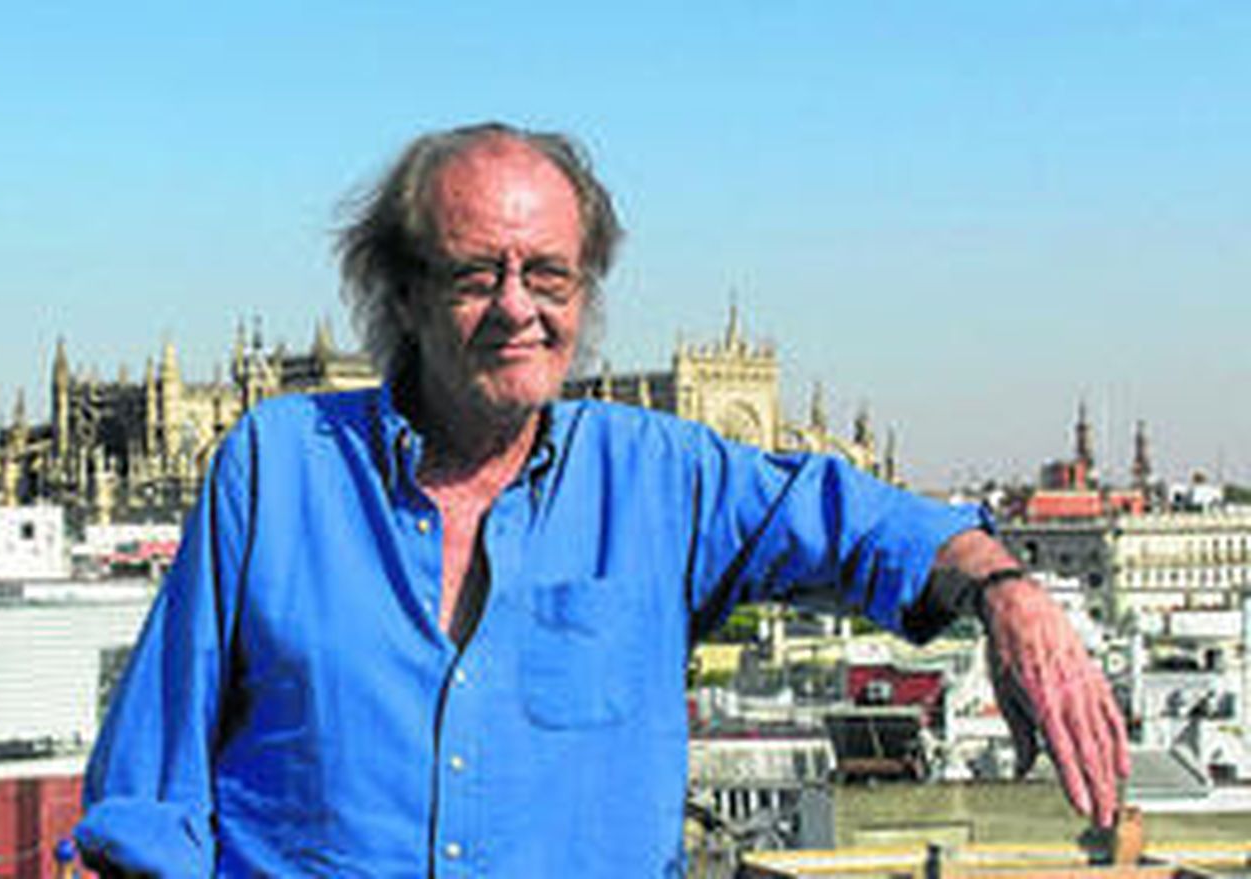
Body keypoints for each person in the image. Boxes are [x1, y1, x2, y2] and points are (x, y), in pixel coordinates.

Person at [76, 122, 1129, 877]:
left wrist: (1005, 590)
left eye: (552, 277)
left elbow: (854, 517)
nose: (519, 309)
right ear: (400, 293)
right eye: (477, 274)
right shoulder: (277, 466)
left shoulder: (660, 479)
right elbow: (150, 791)